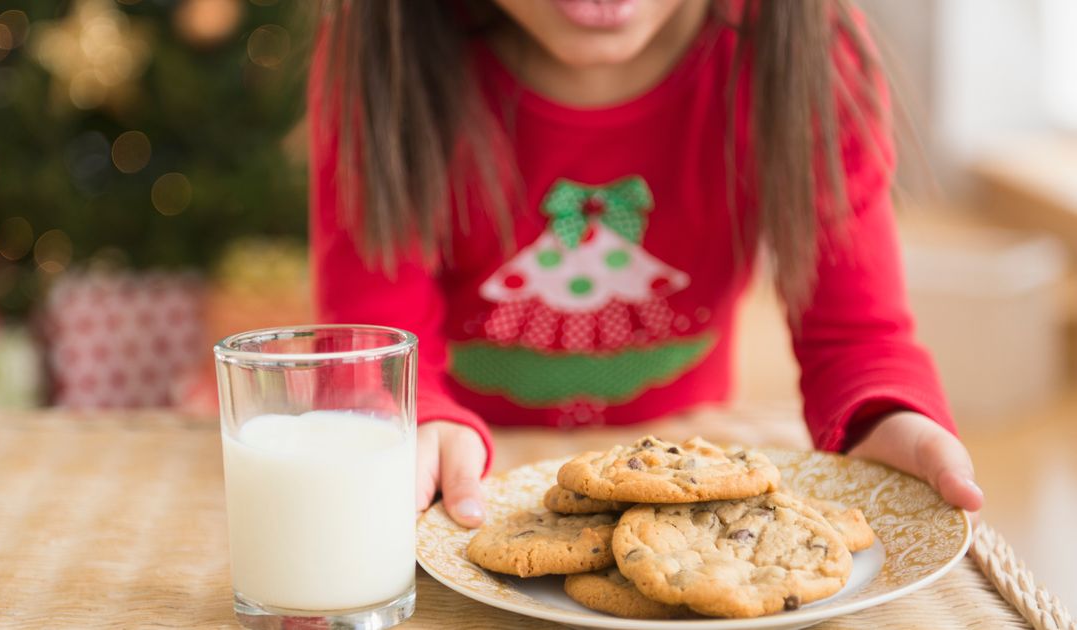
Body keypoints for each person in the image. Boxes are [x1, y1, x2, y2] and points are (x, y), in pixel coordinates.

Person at [310, 0, 984, 528]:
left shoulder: (807, 53)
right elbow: (377, 356)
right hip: (462, 495)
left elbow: (857, 344)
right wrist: (412, 420)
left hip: (684, 472)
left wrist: (889, 420)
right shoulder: (382, 54)